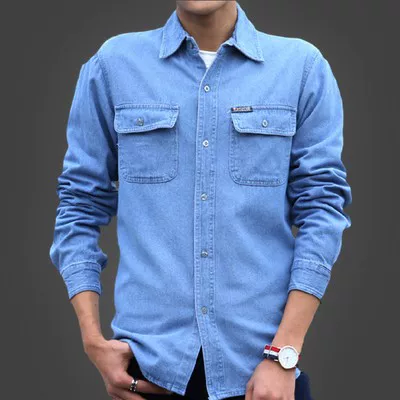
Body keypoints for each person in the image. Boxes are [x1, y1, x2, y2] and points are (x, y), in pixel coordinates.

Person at [49, 1, 352, 399]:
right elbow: (78, 205)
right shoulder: (113, 66)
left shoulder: (301, 68)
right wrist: (93, 341)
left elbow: (322, 210)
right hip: (149, 375)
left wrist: (283, 355)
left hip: (264, 378)